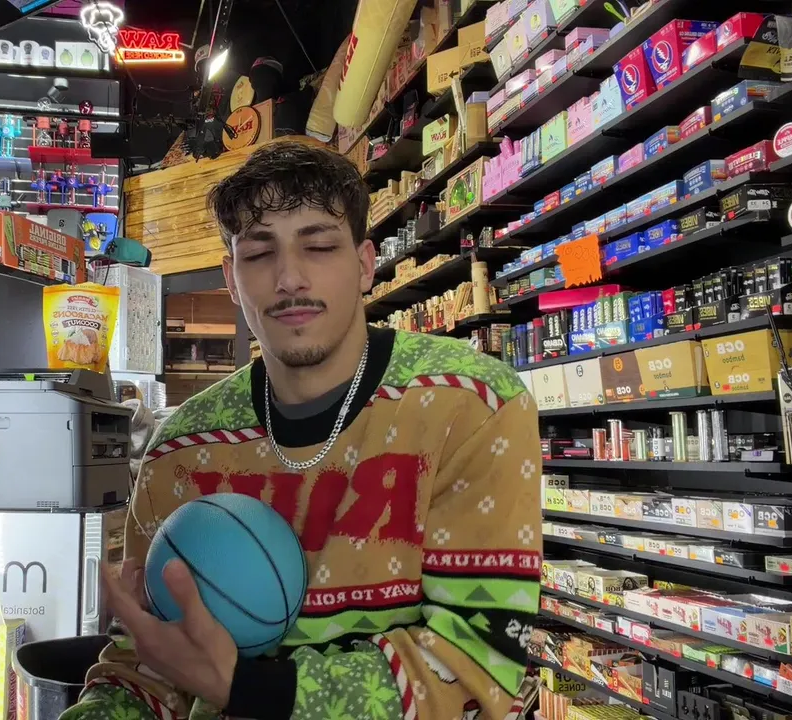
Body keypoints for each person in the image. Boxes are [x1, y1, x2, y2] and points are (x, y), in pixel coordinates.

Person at [61, 140, 541, 720]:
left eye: (319, 246)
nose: (289, 277)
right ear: (232, 278)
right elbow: (146, 664)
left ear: (364, 264)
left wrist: (251, 689)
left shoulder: (469, 405)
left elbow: (480, 665)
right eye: (259, 253)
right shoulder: (181, 450)